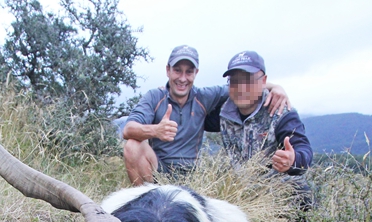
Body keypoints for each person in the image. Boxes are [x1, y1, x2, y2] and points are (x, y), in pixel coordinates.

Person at [122, 45, 290, 185]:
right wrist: (156, 131)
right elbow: (128, 129)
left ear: (196, 73)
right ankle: (146, 201)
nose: (182, 78)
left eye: (189, 72)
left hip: (191, 176)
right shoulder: (154, 97)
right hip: (159, 169)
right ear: (168, 70)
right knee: (132, 146)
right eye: (177, 71)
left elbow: (242, 87)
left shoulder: (204, 96)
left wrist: (275, 87)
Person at [215, 50, 313, 206]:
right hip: (241, 194)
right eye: (235, 81)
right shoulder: (223, 111)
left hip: (277, 198)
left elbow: (303, 149)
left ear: (263, 81)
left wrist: (293, 160)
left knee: (300, 189)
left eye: (248, 80)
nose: (241, 88)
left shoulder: (280, 111)